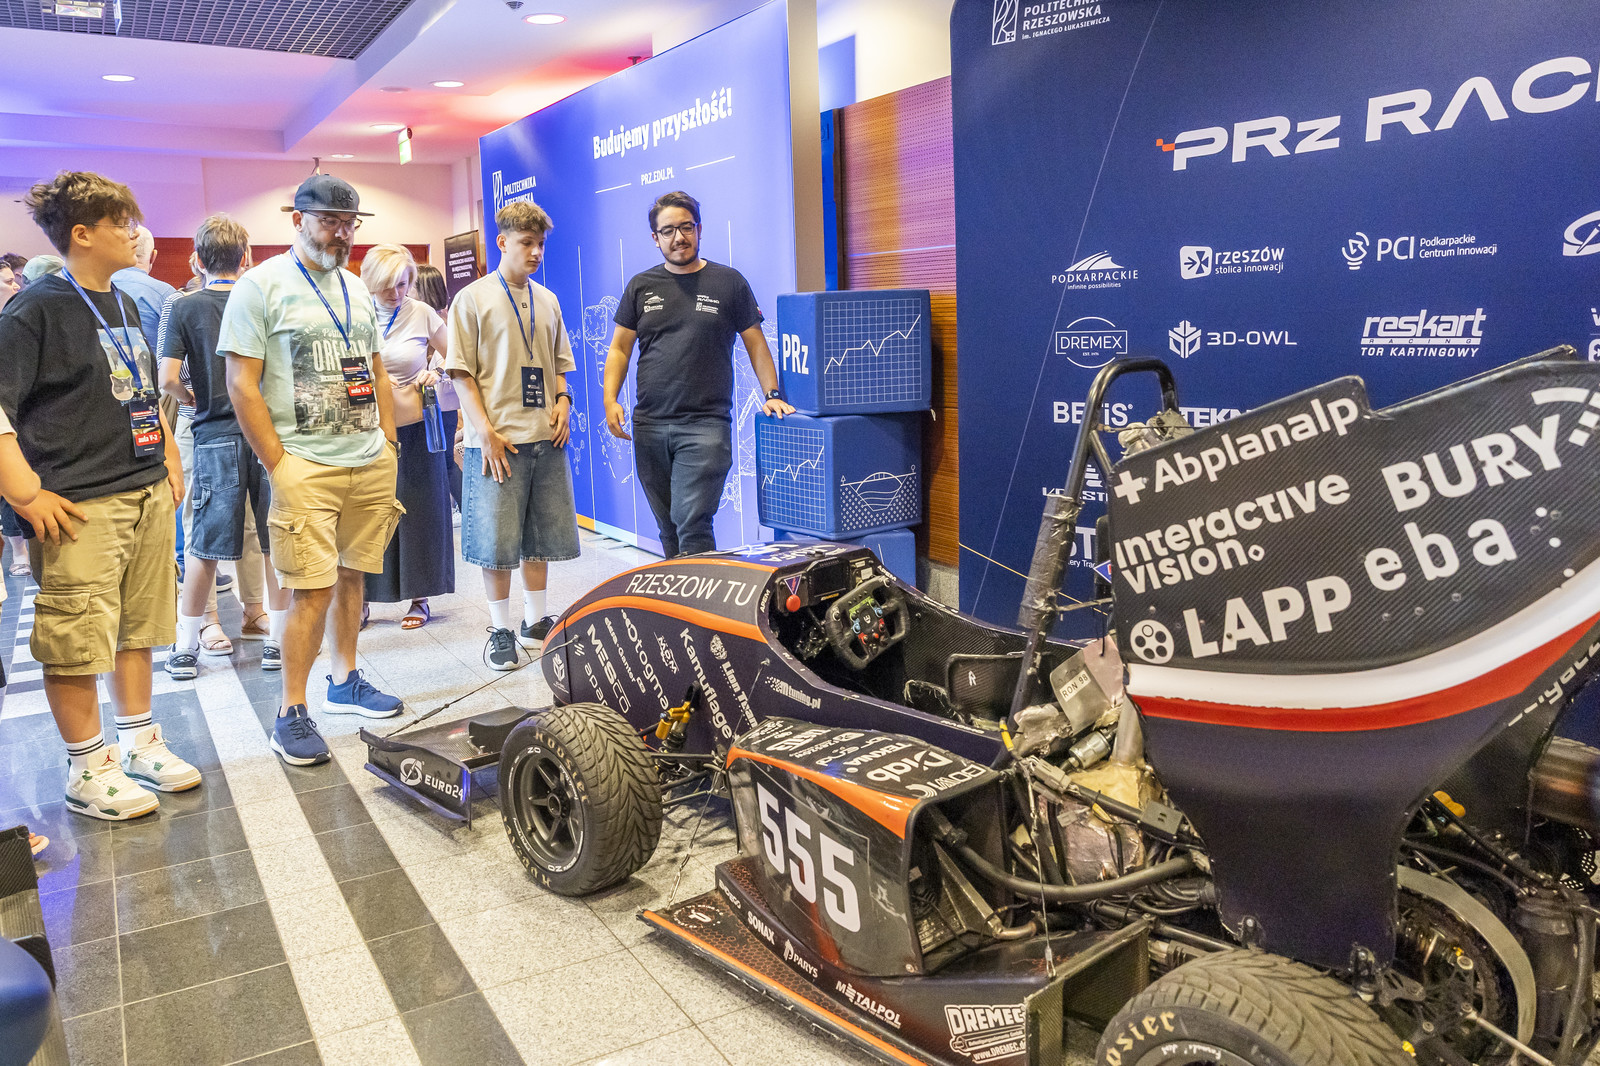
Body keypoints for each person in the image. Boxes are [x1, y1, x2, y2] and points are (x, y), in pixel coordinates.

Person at [0, 170, 200, 820]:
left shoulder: (122, 302)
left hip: (142, 490)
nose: (135, 234)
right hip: (79, 505)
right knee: (76, 640)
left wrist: (168, 456)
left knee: (134, 630)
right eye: (123, 223)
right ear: (82, 234)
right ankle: (88, 767)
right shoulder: (32, 310)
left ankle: (139, 742)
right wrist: (26, 494)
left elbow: (141, 389)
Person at [218, 174, 405, 766]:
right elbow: (240, 384)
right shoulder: (259, 286)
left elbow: (375, 370)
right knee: (311, 588)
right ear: (297, 220)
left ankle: (344, 680)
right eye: (330, 221)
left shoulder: (355, 287)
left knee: (353, 576)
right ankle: (290, 713)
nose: (342, 233)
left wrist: (389, 442)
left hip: (367, 459)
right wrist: (278, 463)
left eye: (350, 223)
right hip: (305, 464)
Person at [604, 190, 793, 557]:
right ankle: (681, 591)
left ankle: (698, 593)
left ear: (700, 229)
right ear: (655, 237)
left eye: (686, 227)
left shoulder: (729, 282)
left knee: (692, 523)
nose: (679, 237)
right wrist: (610, 399)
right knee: (669, 527)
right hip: (650, 425)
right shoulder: (641, 287)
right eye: (668, 230)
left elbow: (755, 342)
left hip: (705, 426)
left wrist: (772, 393)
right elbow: (619, 348)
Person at [446, 200, 579, 671]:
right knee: (496, 542)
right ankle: (500, 629)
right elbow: (460, 373)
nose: (536, 252)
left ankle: (535, 620)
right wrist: (483, 432)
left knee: (539, 536)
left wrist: (563, 401)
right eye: (526, 243)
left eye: (540, 243)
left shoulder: (548, 300)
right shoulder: (472, 299)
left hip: (545, 437)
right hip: (497, 440)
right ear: (502, 242)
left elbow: (560, 363)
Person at [161, 214, 291, 679]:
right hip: (267, 432)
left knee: (203, 545)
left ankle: (184, 647)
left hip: (213, 433)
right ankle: (278, 642)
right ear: (247, 257)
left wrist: (189, 398)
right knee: (276, 540)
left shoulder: (184, 306)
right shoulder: (263, 299)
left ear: (197, 259)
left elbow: (167, 378)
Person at [360, 245, 455, 628]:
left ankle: (420, 597)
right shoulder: (357, 314)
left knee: (418, 509)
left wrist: (437, 371)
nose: (395, 293)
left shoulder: (421, 313)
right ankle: (361, 597)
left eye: (402, 284)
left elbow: (458, 356)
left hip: (415, 424)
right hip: (368, 426)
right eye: (387, 285)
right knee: (368, 511)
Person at [413, 263, 462, 512]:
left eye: (411, 286)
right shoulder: (418, 319)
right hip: (430, 405)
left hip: (441, 405)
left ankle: (460, 510)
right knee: (441, 462)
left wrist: (437, 373)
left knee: (443, 462)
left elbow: (453, 360)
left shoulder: (441, 322)